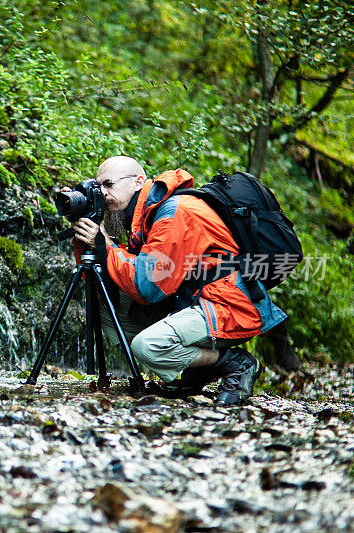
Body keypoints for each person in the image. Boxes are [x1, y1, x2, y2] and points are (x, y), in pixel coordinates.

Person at [69, 156, 286, 404]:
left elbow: (146, 287)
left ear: (138, 181)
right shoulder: (146, 215)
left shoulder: (174, 213)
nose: (103, 194)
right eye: (98, 187)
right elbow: (111, 274)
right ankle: (197, 370)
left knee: (147, 346)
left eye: (109, 184)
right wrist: (87, 240)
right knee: (104, 305)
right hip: (191, 300)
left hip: (227, 304)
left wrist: (105, 245)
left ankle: (236, 364)